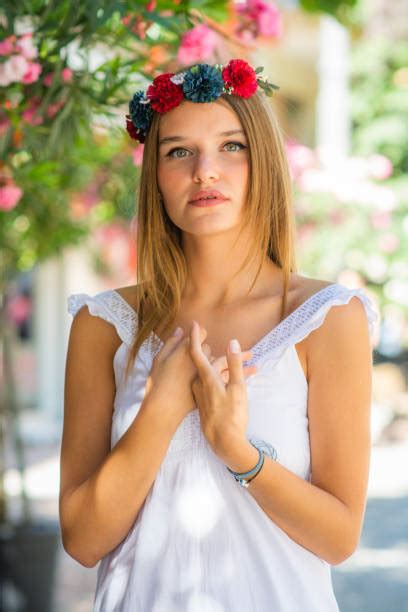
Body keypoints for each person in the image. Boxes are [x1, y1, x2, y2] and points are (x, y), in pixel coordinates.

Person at [60, 59, 378, 611]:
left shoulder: (329, 318)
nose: (205, 171)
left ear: (264, 161)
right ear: (155, 176)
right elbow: (83, 541)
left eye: (231, 146)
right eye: (178, 151)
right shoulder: (104, 326)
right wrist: (159, 411)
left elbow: (340, 537)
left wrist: (238, 451)